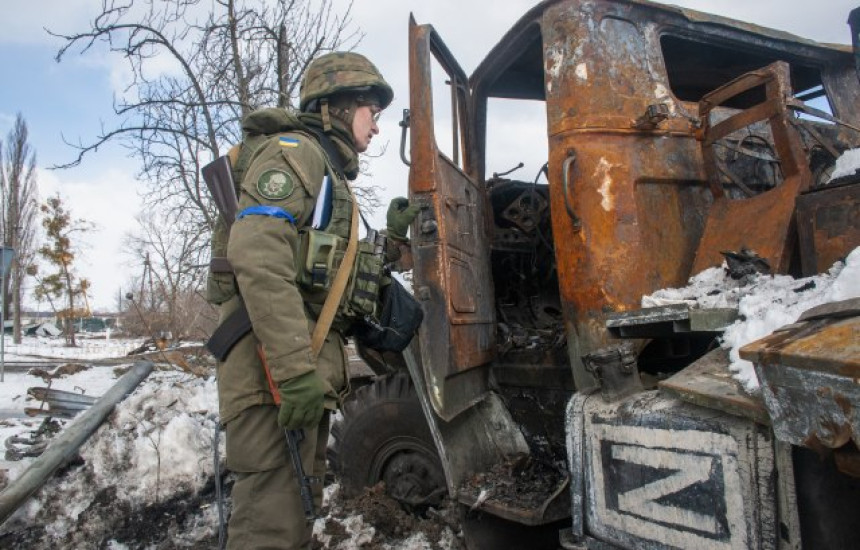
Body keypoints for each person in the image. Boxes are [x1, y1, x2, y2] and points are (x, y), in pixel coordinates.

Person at [214, 52, 419, 549]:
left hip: (292, 375)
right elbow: (257, 252)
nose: (376, 125)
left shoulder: (329, 175)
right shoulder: (295, 153)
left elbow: (332, 278)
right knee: (270, 528)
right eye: (372, 109)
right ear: (338, 107)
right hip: (274, 375)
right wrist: (293, 371)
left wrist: (391, 240)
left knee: (291, 521)